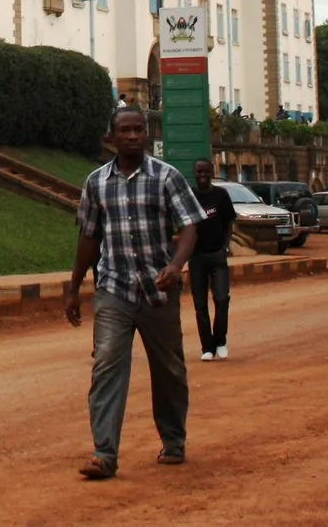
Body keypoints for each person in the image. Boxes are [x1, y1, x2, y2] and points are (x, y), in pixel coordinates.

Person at [65, 108, 206, 480]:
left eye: (138, 130)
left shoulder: (166, 177)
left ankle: (173, 439)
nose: (132, 136)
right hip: (114, 288)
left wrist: (175, 267)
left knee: (169, 369)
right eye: (124, 130)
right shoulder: (96, 183)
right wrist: (75, 286)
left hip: (158, 291)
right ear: (111, 136)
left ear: (147, 134)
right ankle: (104, 452)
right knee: (107, 364)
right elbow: (89, 236)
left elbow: (190, 227)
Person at [187, 160, 235, 363]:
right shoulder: (189, 196)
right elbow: (183, 224)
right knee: (200, 305)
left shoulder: (221, 195)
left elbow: (229, 222)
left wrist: (225, 246)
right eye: (199, 171)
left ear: (212, 172)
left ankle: (220, 341)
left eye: (206, 171)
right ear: (195, 173)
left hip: (217, 255)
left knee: (222, 298)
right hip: (196, 257)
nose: (203, 174)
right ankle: (207, 347)